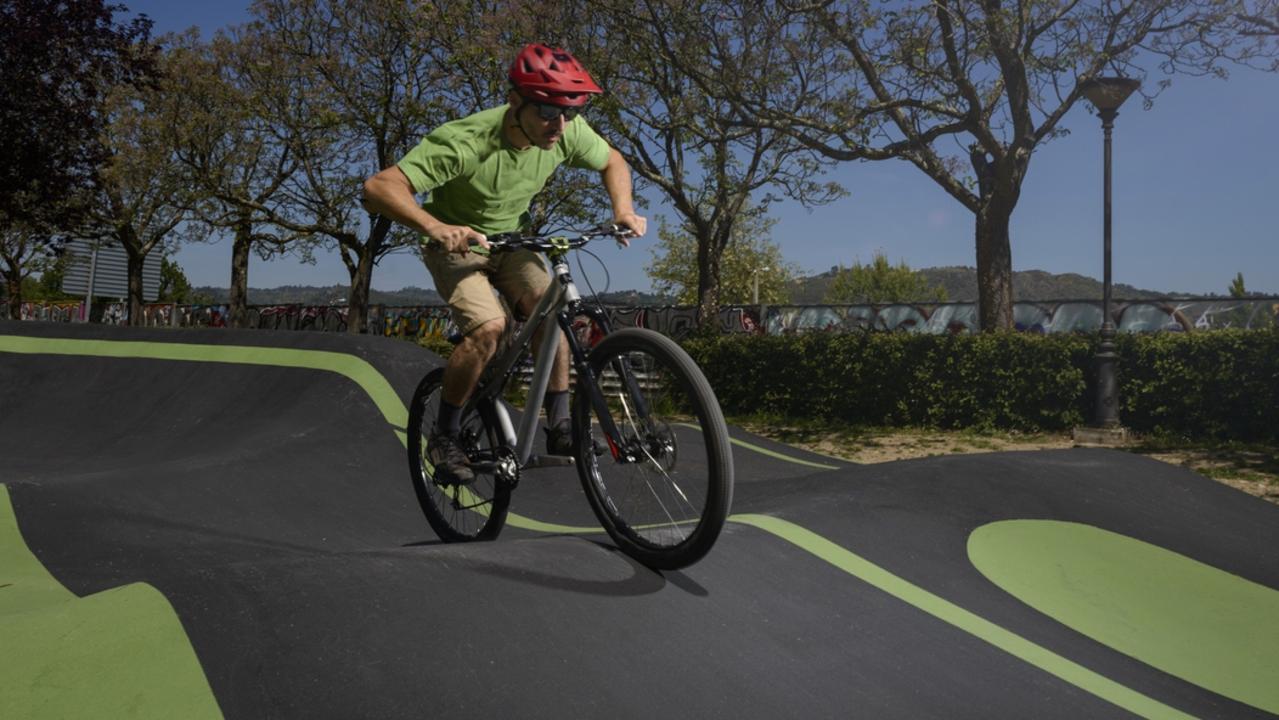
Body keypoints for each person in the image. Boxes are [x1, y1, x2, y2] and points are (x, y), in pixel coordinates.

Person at [362, 43, 646, 485]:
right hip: (457, 245)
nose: (560, 126)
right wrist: (434, 225)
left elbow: (612, 160)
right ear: (515, 101)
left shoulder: (565, 130)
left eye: (568, 114)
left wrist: (623, 209)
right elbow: (381, 187)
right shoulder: (464, 142)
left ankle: (560, 425)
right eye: (549, 113)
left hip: (513, 240)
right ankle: (446, 433)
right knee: (489, 329)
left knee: (553, 311)